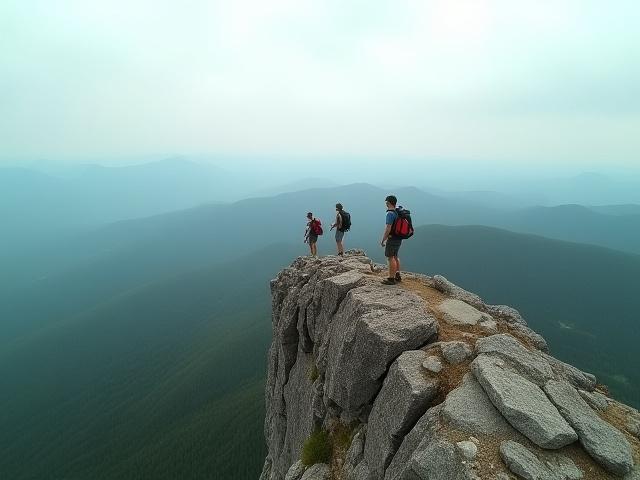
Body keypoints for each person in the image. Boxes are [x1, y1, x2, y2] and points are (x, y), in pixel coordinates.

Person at [380, 195, 403, 285]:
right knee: (396, 256)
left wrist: (383, 240)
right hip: (399, 238)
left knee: (390, 258)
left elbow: (388, 228)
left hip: (392, 238)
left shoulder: (390, 214)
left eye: (386, 202)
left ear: (388, 202)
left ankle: (391, 278)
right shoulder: (398, 211)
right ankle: (397, 274)